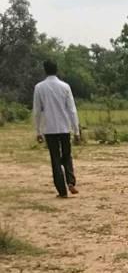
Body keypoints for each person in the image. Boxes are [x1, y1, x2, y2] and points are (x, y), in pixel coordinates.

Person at [33, 59, 81, 198]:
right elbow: (72, 110)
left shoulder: (39, 87)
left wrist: (38, 131)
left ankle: (62, 191)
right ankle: (70, 181)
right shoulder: (65, 86)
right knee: (67, 155)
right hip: (64, 127)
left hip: (49, 128)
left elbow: (37, 111)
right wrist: (76, 131)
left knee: (55, 159)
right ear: (57, 69)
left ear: (45, 70)